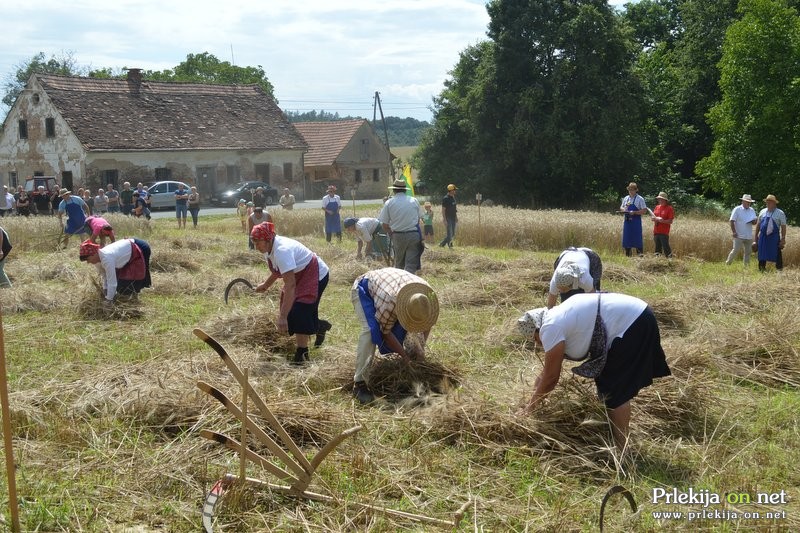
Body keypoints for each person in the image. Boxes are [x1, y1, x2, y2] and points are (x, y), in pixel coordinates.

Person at [517, 293, 671, 450]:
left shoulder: (550, 327)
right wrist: (532, 399)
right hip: (638, 316)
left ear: (538, 328)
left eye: (535, 339)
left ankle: (621, 450)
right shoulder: (558, 317)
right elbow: (547, 372)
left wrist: (530, 408)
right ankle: (616, 439)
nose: (538, 344)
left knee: (614, 390)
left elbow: (551, 378)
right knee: (609, 385)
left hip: (632, 323)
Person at [350, 267, 439, 404]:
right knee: (370, 331)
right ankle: (359, 383)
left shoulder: (427, 297)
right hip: (364, 289)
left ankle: (412, 356)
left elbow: (427, 323)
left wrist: (420, 349)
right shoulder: (390, 302)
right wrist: (404, 357)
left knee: (410, 336)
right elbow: (385, 333)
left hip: (390, 287)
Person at [250, 222, 332, 364]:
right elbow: (278, 270)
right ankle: (319, 327)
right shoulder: (268, 249)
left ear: (268, 239)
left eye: (258, 242)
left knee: (300, 310)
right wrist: (266, 285)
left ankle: (302, 356)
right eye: (254, 242)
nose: (256, 246)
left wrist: (282, 317)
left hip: (316, 273)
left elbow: (290, 285)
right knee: (295, 310)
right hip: (299, 274)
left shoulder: (282, 250)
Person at [79, 238, 152, 303]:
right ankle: (132, 295)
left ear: (93, 254)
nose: (88, 262)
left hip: (140, 247)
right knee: (121, 283)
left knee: (131, 278)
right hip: (128, 250)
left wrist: (109, 300)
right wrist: (105, 289)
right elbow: (105, 275)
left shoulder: (107, 259)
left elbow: (112, 282)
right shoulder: (97, 261)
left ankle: (134, 297)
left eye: (88, 259)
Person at [378, 179, 425, 273]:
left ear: (394, 190)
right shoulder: (414, 200)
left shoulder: (389, 203)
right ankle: (410, 284)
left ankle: (400, 284)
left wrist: (391, 233)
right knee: (411, 264)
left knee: (399, 263)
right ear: (405, 190)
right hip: (413, 235)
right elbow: (423, 218)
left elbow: (384, 224)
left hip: (398, 235)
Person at [754, 194, 788, 272]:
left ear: (774, 203)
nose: (767, 204)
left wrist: (783, 238)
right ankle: (761, 268)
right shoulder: (762, 211)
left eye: (769, 202)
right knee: (762, 252)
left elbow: (783, 226)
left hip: (774, 237)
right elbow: (758, 225)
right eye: (767, 202)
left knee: (777, 252)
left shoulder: (780, 213)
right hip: (763, 236)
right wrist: (756, 236)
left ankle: (779, 269)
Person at [725, 194, 758, 267]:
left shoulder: (752, 210)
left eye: (749, 202)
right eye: (747, 202)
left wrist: (754, 221)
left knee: (748, 252)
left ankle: (746, 266)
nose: (748, 203)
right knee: (735, 250)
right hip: (738, 234)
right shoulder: (737, 209)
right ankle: (728, 263)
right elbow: (732, 221)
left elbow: (754, 222)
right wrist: (734, 232)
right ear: (743, 201)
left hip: (748, 235)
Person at [619, 182, 647, 257]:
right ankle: (628, 258)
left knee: (637, 240)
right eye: (629, 190)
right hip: (627, 222)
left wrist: (634, 212)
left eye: (632, 190)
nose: (631, 191)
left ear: (636, 190)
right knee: (627, 240)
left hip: (636, 222)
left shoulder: (640, 199)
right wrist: (624, 209)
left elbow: (644, 210)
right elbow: (621, 207)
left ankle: (640, 259)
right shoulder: (626, 198)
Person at [651, 191, 674, 258]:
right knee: (657, 248)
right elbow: (654, 217)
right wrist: (653, 219)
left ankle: (670, 261)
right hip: (656, 231)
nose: (659, 200)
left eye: (661, 199)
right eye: (658, 199)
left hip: (664, 232)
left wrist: (662, 221)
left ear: (665, 200)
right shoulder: (657, 207)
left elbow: (670, 221)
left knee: (666, 248)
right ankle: (657, 262)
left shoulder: (669, 208)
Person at [439, 184, 458, 248]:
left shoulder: (453, 197)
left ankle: (441, 244)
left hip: (453, 217)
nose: (455, 191)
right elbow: (443, 210)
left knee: (452, 234)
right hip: (448, 218)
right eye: (454, 190)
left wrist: (456, 217)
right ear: (451, 190)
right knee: (449, 233)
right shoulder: (445, 198)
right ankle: (450, 245)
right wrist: (444, 219)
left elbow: (454, 209)